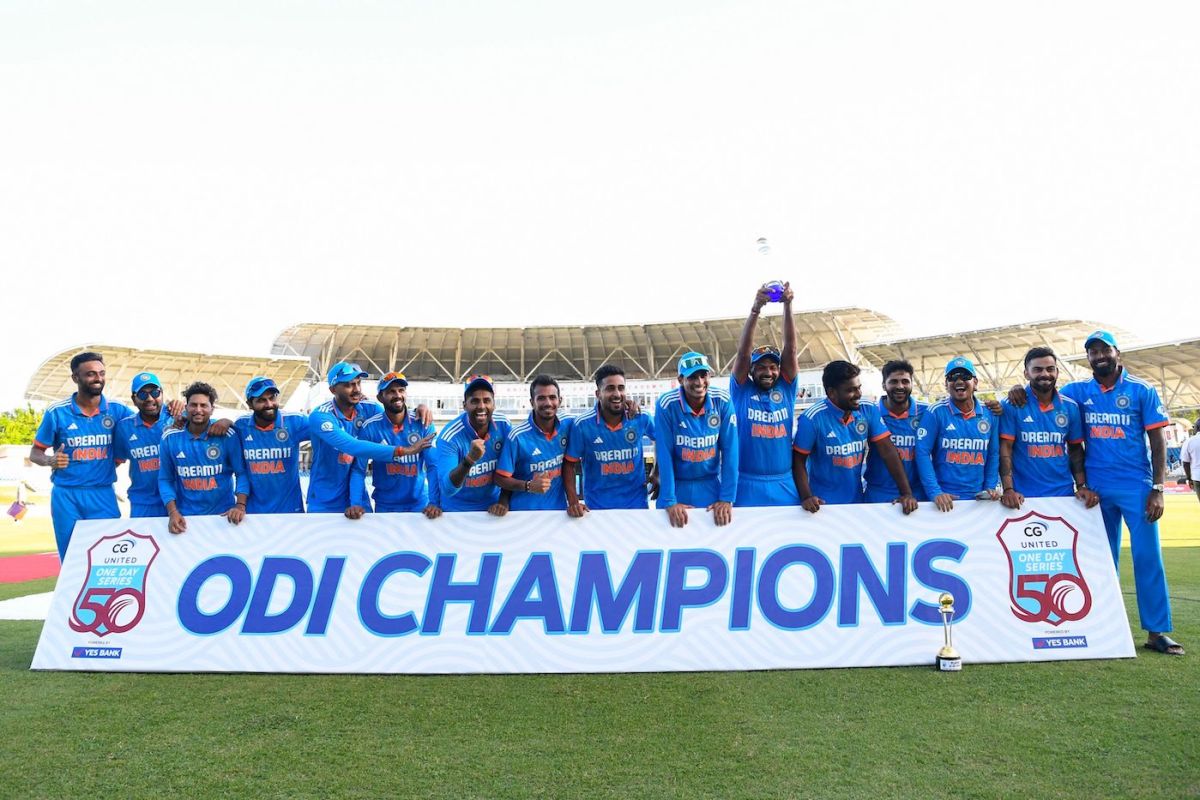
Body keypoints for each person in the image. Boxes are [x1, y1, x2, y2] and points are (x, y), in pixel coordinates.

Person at [1016, 331, 1181, 655]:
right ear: (1088, 359)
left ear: (1116, 352)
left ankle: (1156, 632)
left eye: (1104, 349)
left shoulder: (1141, 390)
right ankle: (1104, 626)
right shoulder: (1078, 392)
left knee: (1148, 559)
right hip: (1095, 491)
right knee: (1099, 561)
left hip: (1136, 486)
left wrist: (1158, 488)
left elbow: (1158, 442)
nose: (1099, 356)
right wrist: (1015, 392)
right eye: (1092, 352)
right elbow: (1042, 392)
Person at [30, 352, 135, 560]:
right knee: (71, 558)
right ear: (75, 378)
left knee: (109, 557)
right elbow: (35, 453)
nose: (98, 378)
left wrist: (178, 411)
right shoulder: (56, 413)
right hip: (66, 495)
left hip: (102, 494)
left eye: (101, 373)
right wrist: (50, 460)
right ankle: (72, 594)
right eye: (91, 374)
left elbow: (148, 419)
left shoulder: (117, 410)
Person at [792, 360, 917, 513]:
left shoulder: (867, 409)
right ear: (831, 393)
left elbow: (888, 451)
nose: (858, 394)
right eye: (850, 390)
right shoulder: (811, 419)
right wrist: (806, 497)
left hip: (857, 501)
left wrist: (906, 493)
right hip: (822, 505)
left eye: (859, 388)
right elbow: (798, 461)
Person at [307, 362, 428, 517]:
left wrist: (418, 409)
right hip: (325, 499)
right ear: (333, 390)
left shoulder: (369, 409)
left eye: (358, 383)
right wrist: (404, 451)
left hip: (358, 499)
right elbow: (351, 446)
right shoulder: (321, 416)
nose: (356, 389)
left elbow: (394, 414)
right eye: (349, 385)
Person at [997, 347, 1098, 510]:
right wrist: (1008, 489)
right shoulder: (1012, 404)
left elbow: (1075, 450)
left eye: (1050, 369)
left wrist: (1081, 486)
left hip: (1063, 494)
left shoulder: (1070, 407)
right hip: (1022, 496)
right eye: (1037, 369)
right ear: (1026, 373)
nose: (1045, 374)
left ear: (1057, 372)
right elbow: (1005, 448)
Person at [729, 282, 800, 506]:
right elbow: (743, 353)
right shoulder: (741, 390)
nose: (768, 372)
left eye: (773, 367)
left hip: (784, 482)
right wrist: (756, 309)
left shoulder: (787, 388)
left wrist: (788, 306)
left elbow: (790, 348)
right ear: (750, 370)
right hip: (746, 483)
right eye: (760, 367)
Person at [653, 352, 738, 527]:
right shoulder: (666, 404)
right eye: (692, 377)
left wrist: (726, 498)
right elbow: (664, 453)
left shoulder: (722, 400)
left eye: (703, 375)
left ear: (709, 376)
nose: (699, 382)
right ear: (680, 379)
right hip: (677, 486)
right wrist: (670, 500)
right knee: (671, 543)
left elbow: (731, 450)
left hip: (710, 485)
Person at [563, 364, 657, 516]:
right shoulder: (582, 425)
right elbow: (569, 464)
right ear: (598, 393)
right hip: (597, 509)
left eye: (621, 388)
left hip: (636, 506)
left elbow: (661, 441)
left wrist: (657, 473)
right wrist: (573, 501)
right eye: (610, 388)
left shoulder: (641, 417)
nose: (617, 393)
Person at [159, 382, 248, 534]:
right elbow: (165, 479)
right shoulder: (170, 437)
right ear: (186, 407)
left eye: (203, 405)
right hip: (186, 519)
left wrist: (240, 505)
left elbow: (241, 473)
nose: (198, 410)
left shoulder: (227, 435)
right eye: (193, 405)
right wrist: (172, 512)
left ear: (212, 409)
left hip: (224, 518)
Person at [915, 357, 1000, 511]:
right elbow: (922, 452)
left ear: (975, 383)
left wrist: (989, 487)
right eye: (953, 377)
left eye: (965, 376)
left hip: (979, 500)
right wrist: (935, 492)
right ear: (946, 385)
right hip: (945, 499)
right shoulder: (935, 412)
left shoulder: (990, 414)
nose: (959, 381)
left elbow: (994, 454)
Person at [351, 372, 439, 515]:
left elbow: (433, 466)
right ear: (380, 397)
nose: (397, 395)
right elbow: (358, 469)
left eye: (401, 390)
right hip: (385, 507)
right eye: (391, 391)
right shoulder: (370, 427)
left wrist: (434, 502)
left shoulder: (423, 423)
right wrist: (355, 503)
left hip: (419, 504)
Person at [494, 375, 575, 512]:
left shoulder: (568, 424)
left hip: (558, 513)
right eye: (541, 398)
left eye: (552, 397)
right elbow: (500, 478)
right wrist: (529, 485)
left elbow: (592, 422)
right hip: (524, 515)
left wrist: (624, 408)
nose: (548, 403)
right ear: (532, 402)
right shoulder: (517, 436)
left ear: (560, 401)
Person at [433, 374, 511, 513]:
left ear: (494, 404)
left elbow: (512, 468)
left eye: (487, 400)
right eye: (474, 401)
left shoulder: (504, 425)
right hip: (457, 511)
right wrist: (469, 460)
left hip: (493, 507)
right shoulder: (449, 436)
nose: (481, 406)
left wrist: (503, 501)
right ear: (464, 405)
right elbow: (447, 489)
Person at [233, 376, 311, 514]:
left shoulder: (295, 421)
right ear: (250, 404)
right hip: (254, 513)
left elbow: (328, 430)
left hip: (290, 511)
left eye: (272, 398)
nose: (269, 404)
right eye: (262, 400)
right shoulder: (241, 426)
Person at [863, 360, 928, 504]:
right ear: (884, 385)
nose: (900, 386)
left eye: (905, 381)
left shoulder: (927, 412)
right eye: (893, 382)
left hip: (917, 493)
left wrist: (988, 408)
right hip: (879, 492)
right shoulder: (871, 413)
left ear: (912, 384)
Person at [112, 372, 175, 518]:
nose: (150, 398)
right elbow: (115, 461)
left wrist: (226, 422)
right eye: (142, 394)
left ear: (162, 394)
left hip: (178, 501)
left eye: (155, 392)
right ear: (134, 399)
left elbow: (208, 420)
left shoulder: (179, 418)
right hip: (143, 503)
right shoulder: (124, 427)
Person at [1181, 421, 1200, 504]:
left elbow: (1185, 463)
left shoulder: (1189, 441)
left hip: (1198, 477)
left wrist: (1189, 478)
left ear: (1197, 428)